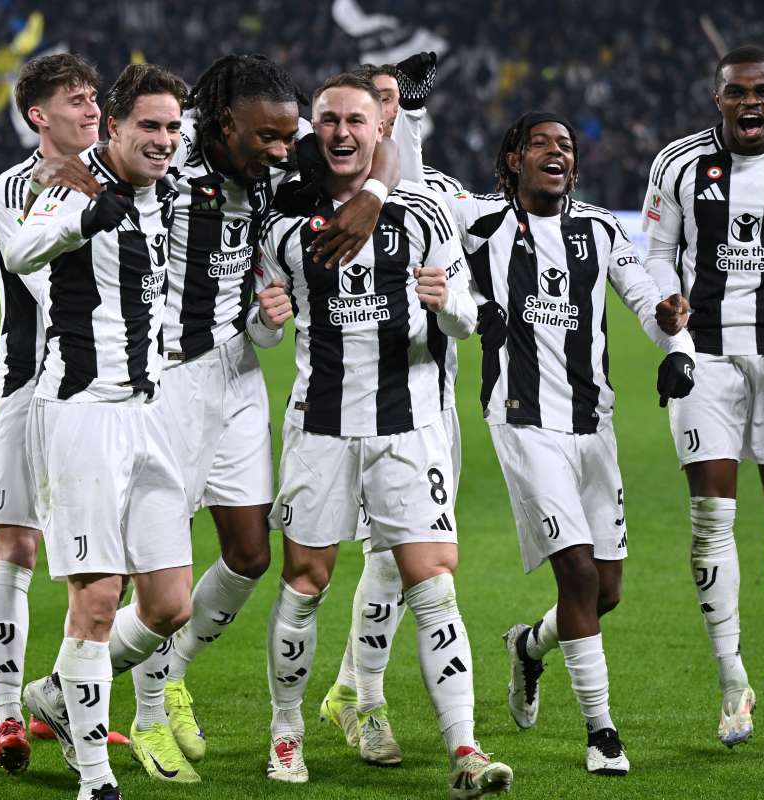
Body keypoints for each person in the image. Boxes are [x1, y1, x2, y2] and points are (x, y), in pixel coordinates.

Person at [23, 53, 400, 778]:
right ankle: (146, 713)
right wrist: (55, 172)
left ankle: (82, 689)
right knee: (152, 572)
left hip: (237, 368)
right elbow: (91, 162)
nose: (284, 152)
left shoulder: (275, 158)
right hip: (164, 379)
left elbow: (379, 147)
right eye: (268, 138)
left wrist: (373, 197)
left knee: (250, 554)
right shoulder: (170, 157)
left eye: (288, 137)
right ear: (223, 124)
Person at [253, 72, 512, 799]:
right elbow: (263, 331)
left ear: (379, 131)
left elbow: (469, 315)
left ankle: (465, 748)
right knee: (305, 584)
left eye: (356, 121)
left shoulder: (423, 214)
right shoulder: (282, 223)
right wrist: (266, 320)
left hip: (409, 426)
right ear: (315, 130)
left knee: (433, 583)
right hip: (321, 427)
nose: (342, 132)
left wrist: (447, 303)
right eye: (329, 120)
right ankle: (286, 733)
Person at [435, 110, 695, 776]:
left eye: (567, 145)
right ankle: (602, 732)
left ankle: (528, 647)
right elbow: (420, 203)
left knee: (605, 593)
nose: (557, 152)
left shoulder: (600, 229)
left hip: (593, 423)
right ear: (514, 159)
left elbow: (648, 299)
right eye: (541, 143)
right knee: (577, 575)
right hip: (522, 421)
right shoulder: (477, 222)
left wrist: (676, 343)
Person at [640, 44, 764, 750]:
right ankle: (732, 681)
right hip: (707, 359)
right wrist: (669, 308)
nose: (750, 102)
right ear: (717, 98)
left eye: (762, 91)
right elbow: (657, 253)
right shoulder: (678, 163)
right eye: (737, 92)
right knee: (711, 516)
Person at [5, 63, 193, 800]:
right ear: (112, 126)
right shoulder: (75, 185)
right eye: (149, 125)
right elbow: (21, 250)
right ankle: (95, 779)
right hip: (82, 415)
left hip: (152, 413)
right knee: (97, 600)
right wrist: (84, 219)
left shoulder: (168, 187)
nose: (164, 139)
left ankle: (57, 692)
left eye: (173, 127)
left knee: (170, 604)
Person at [317, 55, 448, 766]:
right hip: (362, 405)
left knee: (406, 563)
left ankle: (350, 688)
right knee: (391, 557)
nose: (384, 112)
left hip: (433, 400)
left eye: (395, 101)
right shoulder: (319, 194)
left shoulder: (434, 196)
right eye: (378, 101)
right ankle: (364, 699)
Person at [0, 52, 101, 775]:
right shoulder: (14, 187)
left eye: (94, 97)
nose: (92, 108)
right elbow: (42, 276)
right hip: (28, 386)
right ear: (38, 115)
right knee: (18, 544)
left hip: (101, 392)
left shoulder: (122, 174)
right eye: (76, 99)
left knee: (105, 562)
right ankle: (7, 715)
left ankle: (65, 699)